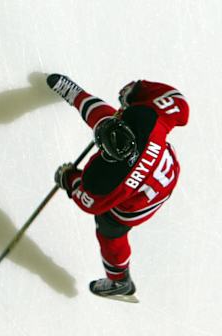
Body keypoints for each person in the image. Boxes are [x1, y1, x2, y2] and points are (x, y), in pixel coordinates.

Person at [46, 73, 189, 297]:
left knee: (109, 230)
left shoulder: (107, 181)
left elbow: (90, 203)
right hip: (166, 170)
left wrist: (69, 179)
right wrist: (138, 90)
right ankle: (75, 95)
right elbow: (179, 104)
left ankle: (120, 281)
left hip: (140, 202)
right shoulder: (145, 120)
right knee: (105, 118)